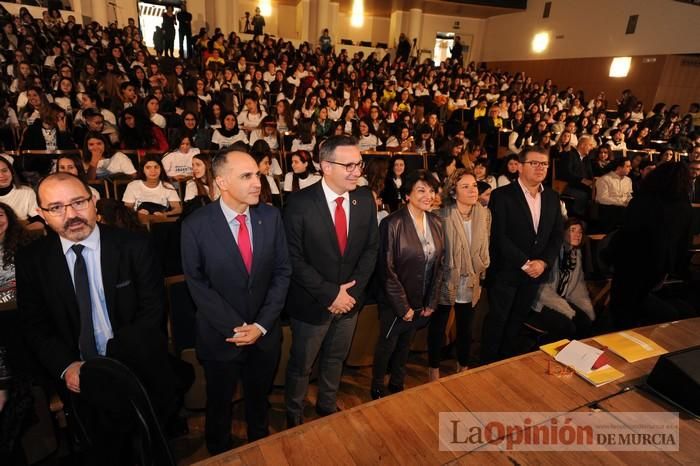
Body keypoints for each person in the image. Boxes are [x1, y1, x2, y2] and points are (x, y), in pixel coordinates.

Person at [16, 173, 180, 464]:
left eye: (78, 202)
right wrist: (67, 366)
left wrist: (112, 368)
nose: (71, 214)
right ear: (41, 214)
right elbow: (35, 325)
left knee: (149, 449)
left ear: (93, 202)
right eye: (56, 207)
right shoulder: (32, 260)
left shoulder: (134, 245)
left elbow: (151, 312)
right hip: (77, 374)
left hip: (135, 366)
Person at [181, 148, 291, 453]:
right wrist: (237, 327)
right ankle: (219, 453)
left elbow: (283, 273)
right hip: (220, 337)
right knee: (219, 406)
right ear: (223, 182)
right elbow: (197, 283)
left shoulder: (271, 216)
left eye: (257, 174)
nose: (257, 182)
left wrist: (261, 325)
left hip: (264, 335)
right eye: (247, 176)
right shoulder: (196, 225)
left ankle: (260, 450)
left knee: (259, 402)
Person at [284, 135, 379, 427]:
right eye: (348, 165)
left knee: (336, 358)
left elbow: (371, 249)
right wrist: (330, 294)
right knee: (302, 365)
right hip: (312, 302)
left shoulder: (364, 198)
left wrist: (350, 293)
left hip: (350, 301)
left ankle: (327, 404)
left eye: (359, 164)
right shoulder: (299, 202)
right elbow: (293, 258)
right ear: (325, 166)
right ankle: (294, 415)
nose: (357, 171)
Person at [481, 146, 564, 363]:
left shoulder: (553, 197)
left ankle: (505, 363)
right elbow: (499, 236)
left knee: (517, 321)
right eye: (534, 163)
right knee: (497, 320)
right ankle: (485, 365)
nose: (540, 168)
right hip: (507, 271)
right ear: (519, 166)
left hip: (535, 273)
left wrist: (544, 263)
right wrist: (525, 262)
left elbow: (557, 235)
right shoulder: (501, 195)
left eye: (544, 164)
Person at [371, 170, 444, 398]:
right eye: (421, 190)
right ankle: (377, 385)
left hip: (421, 298)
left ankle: (397, 381)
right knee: (388, 345)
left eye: (431, 191)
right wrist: (403, 307)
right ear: (407, 195)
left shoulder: (437, 222)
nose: (428, 196)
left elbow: (441, 264)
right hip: (395, 300)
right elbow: (386, 269)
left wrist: (432, 300)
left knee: (406, 344)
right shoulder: (392, 223)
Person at [610, 162, 695, 330]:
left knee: (623, 313)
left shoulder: (641, 201)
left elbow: (626, 233)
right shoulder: (684, 207)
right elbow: (682, 244)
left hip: (629, 263)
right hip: (656, 267)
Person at [428, 170, 490, 379]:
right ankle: (433, 368)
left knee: (466, 327)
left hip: (472, 279)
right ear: (454, 192)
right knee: (439, 326)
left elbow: (484, 248)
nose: (473, 190)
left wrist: (479, 276)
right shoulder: (441, 215)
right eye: (466, 186)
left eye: (474, 185)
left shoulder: (484, 214)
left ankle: (462, 365)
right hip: (446, 278)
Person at [527, 218, 594, 341]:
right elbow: (543, 291)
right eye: (572, 230)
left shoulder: (575, 254)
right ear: (562, 232)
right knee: (567, 327)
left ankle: (577, 355)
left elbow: (577, 287)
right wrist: (565, 308)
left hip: (560, 299)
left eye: (580, 232)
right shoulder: (552, 252)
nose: (577, 235)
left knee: (586, 322)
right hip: (540, 303)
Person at [558, 135, 595, 218]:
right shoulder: (569, 155)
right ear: (582, 145)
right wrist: (582, 180)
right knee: (583, 195)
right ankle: (577, 218)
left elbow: (590, 175)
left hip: (583, 186)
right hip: (568, 186)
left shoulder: (586, 159)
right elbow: (566, 173)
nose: (592, 148)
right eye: (590, 145)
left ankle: (589, 220)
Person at [594, 158, 633, 232]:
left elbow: (629, 195)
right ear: (619, 168)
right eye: (628, 166)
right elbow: (601, 198)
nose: (631, 168)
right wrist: (621, 202)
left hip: (623, 208)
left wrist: (631, 202)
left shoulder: (628, 180)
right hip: (608, 209)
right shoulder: (604, 179)